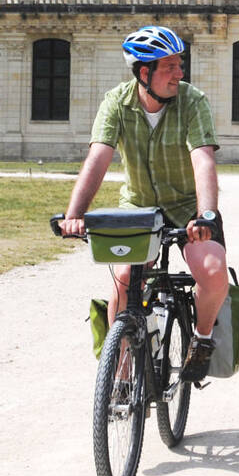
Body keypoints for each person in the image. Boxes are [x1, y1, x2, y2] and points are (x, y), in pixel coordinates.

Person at [59, 25, 227, 383]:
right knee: (123, 280)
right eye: (170, 66)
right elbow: (98, 159)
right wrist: (74, 215)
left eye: (181, 64)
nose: (180, 73)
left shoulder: (192, 101)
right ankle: (119, 375)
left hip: (187, 208)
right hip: (138, 209)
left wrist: (207, 215)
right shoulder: (116, 103)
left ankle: (202, 338)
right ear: (144, 72)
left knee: (212, 272)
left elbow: (203, 160)